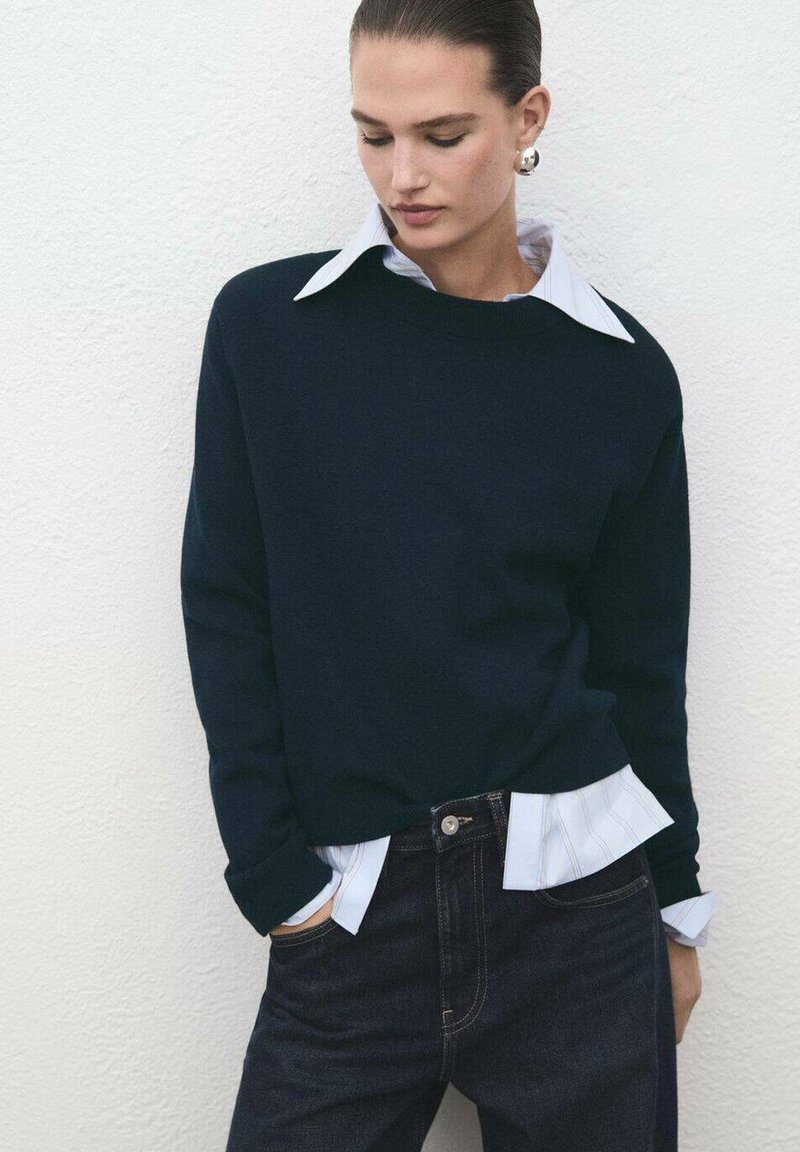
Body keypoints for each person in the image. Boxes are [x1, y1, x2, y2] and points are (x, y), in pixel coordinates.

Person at [180, 2, 717, 1148]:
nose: (402, 176)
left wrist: (673, 906)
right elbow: (227, 606)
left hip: (580, 913)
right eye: (372, 135)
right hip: (352, 913)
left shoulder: (618, 373)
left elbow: (639, 662)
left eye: (441, 134)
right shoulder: (269, 331)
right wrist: (274, 880)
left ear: (526, 118)